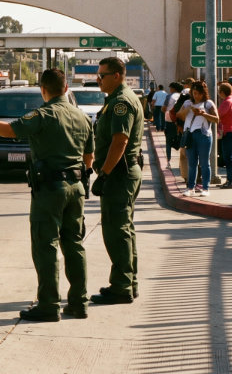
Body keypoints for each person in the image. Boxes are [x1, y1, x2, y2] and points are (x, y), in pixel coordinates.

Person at [0, 68, 93, 322]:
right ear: (66, 89)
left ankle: (49, 304)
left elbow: (8, 131)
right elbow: (89, 156)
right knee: (74, 244)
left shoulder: (44, 114)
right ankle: (79, 302)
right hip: (77, 187)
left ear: (43, 89)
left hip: (51, 188)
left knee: (46, 245)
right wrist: (83, 177)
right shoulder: (81, 117)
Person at [90, 57, 144, 305]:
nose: (98, 79)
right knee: (124, 229)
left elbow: (120, 141)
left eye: (102, 75)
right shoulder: (116, 99)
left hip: (119, 174)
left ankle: (122, 286)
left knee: (116, 230)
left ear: (117, 76)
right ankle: (128, 282)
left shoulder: (121, 102)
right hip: (123, 173)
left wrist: (105, 174)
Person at [177, 80, 218, 197]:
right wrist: (188, 109)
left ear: (203, 93)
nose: (196, 96)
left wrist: (203, 114)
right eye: (194, 93)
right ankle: (191, 188)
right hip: (190, 135)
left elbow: (216, 119)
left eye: (199, 93)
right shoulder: (187, 103)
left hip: (204, 135)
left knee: (205, 163)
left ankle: (206, 188)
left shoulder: (208, 104)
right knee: (192, 163)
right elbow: (179, 115)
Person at [163, 82, 183, 168]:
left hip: (170, 121)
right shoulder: (183, 96)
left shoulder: (169, 96)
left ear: (173, 89)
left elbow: (163, 108)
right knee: (182, 141)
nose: (169, 90)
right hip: (181, 121)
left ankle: (169, 162)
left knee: (168, 142)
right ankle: (182, 163)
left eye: (170, 88)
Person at [216, 82, 232, 188]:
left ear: (222, 92)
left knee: (228, 158)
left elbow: (218, 115)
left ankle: (230, 180)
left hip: (228, 132)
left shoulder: (226, 102)